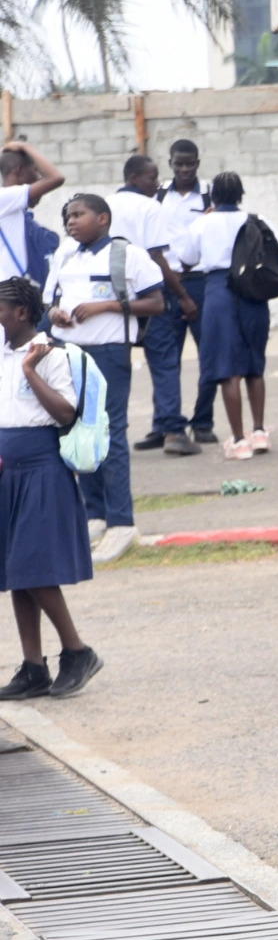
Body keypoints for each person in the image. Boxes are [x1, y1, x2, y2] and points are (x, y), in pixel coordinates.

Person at [43, 194, 162, 563]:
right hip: (68, 353)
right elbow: (49, 303)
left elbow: (156, 303)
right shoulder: (64, 254)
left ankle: (121, 522)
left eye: (79, 215)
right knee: (76, 432)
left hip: (108, 353)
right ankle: (94, 513)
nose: (71, 221)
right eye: (68, 216)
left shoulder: (127, 254)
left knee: (108, 432)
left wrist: (108, 306)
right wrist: (56, 315)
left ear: (104, 219)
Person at [0, 277, 100, 701]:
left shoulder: (51, 355)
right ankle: (33, 666)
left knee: (34, 567)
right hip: (9, 472)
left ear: (21, 312)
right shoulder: (2, 354)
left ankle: (77, 651)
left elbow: (64, 413)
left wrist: (29, 370)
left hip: (42, 468)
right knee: (17, 575)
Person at [179, 173, 272, 459]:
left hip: (219, 291)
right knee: (254, 365)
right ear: (240, 194)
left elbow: (186, 258)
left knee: (226, 368)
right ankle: (258, 433)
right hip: (254, 293)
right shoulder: (255, 220)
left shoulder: (203, 223)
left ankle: (238, 440)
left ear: (214, 197)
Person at [118, 156, 202, 457]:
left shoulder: (103, 205)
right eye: (151, 178)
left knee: (116, 365)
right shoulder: (149, 207)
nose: (157, 183)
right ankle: (173, 431)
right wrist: (182, 294)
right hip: (147, 295)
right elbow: (156, 256)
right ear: (133, 178)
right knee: (164, 362)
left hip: (112, 298)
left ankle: (122, 431)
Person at [152, 140, 219, 442]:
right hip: (167, 284)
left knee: (210, 356)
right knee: (166, 358)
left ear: (198, 162)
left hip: (201, 283)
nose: (185, 169)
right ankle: (165, 424)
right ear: (170, 163)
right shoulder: (158, 195)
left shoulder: (209, 193)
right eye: (179, 163)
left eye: (190, 163)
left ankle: (203, 422)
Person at [0, 141, 65, 288]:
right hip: (7, 293)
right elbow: (56, 178)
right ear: (19, 171)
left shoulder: (13, 208)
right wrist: (25, 146)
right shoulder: (4, 198)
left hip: (15, 291)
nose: (39, 180)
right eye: (36, 172)